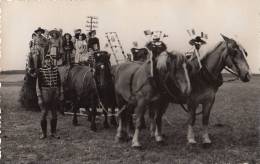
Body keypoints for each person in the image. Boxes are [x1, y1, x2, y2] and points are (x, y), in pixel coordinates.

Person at [36, 55, 63, 139]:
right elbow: (37, 85)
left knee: (54, 113)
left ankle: (53, 132)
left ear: (51, 61)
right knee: (44, 113)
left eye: (50, 60)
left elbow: (59, 83)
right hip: (45, 92)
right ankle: (44, 134)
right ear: (45, 61)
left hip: (54, 92)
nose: (48, 61)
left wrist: (61, 93)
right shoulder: (41, 71)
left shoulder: (55, 70)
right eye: (47, 60)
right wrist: (39, 97)